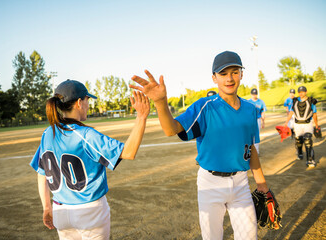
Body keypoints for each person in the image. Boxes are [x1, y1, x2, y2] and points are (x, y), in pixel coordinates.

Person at [130, 51, 269, 240]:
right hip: (211, 183)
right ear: (214, 78)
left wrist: (262, 185)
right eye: (223, 73)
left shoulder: (250, 110)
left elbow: (250, 148)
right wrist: (160, 102)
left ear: (242, 74)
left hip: (241, 184)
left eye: (235, 72)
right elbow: (172, 129)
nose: (229, 78)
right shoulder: (205, 107)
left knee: (249, 236)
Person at [30, 79, 150, 240]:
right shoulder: (86, 134)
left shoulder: (47, 133)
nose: (88, 104)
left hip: (60, 211)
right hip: (89, 211)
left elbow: (41, 173)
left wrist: (46, 208)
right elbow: (128, 152)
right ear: (79, 102)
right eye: (87, 100)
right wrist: (141, 117)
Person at [284, 86, 319, 167]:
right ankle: (299, 152)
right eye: (299, 92)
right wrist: (286, 122)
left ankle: (310, 160)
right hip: (297, 124)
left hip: (307, 123)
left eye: (302, 92)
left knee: (308, 140)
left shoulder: (311, 101)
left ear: (306, 92)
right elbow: (291, 112)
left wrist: (316, 124)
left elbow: (314, 114)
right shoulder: (295, 101)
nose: (301, 93)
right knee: (298, 141)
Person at [247, 88, 267, 154]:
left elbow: (263, 112)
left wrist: (263, 122)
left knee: (256, 135)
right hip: (249, 120)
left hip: (257, 120)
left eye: (255, 94)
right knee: (249, 134)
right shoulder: (248, 102)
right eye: (253, 94)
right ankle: (249, 151)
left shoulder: (261, 102)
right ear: (251, 94)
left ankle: (256, 151)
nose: (254, 96)